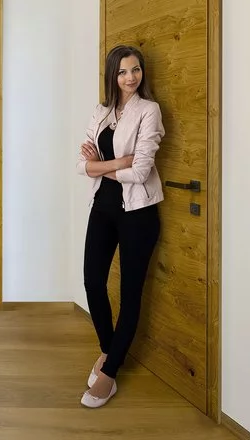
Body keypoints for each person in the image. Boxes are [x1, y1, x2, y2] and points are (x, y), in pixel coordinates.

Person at [75, 44, 165, 408]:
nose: (130, 77)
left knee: (130, 294)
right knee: (92, 282)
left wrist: (101, 165)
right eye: (123, 71)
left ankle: (109, 373)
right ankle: (108, 349)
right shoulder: (102, 112)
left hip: (137, 213)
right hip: (103, 207)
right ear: (112, 75)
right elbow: (81, 166)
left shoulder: (149, 110)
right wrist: (116, 162)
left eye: (136, 70)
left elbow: (141, 171)